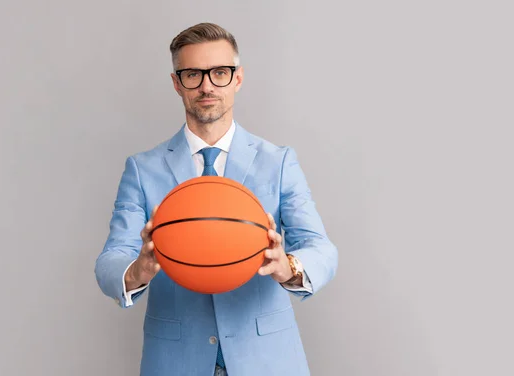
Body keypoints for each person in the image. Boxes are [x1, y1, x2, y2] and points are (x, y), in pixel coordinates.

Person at [94, 22, 338, 376]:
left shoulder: (278, 161)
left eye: (219, 73)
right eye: (193, 74)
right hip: (176, 363)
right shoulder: (142, 169)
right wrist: (137, 272)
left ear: (237, 78)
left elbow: (321, 248)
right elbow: (110, 259)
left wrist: (290, 267)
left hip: (267, 361)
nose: (207, 86)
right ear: (177, 83)